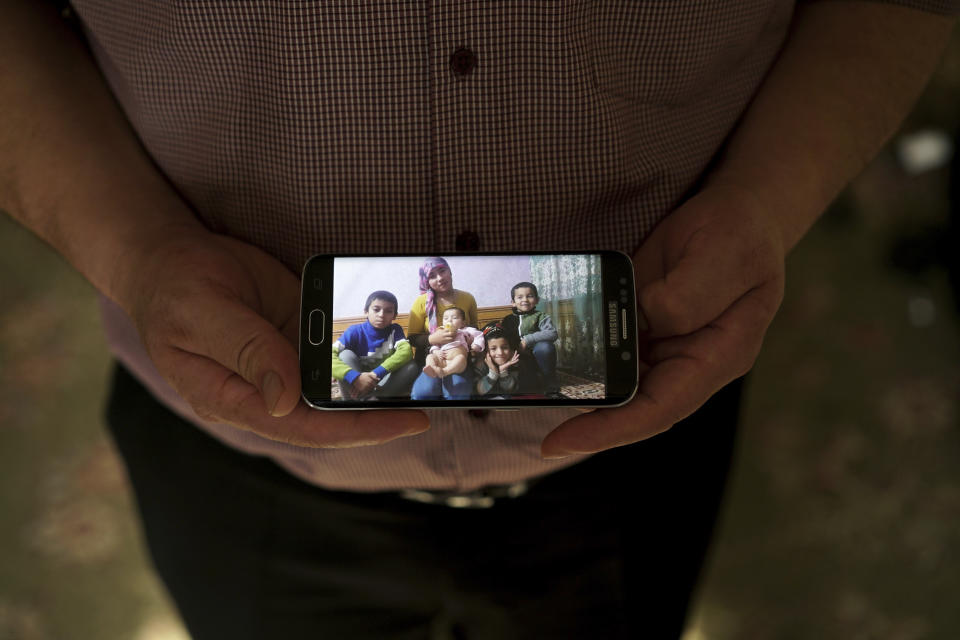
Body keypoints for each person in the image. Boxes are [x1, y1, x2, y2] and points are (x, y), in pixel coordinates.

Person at [2, 0, 957, 638]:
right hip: (233, 449)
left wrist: (766, 199)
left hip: (635, 446)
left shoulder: (496, 323)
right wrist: (132, 248)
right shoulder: (401, 333)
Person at [408, 258, 479, 401]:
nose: (439, 278)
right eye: (432, 276)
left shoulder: (468, 298)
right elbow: (412, 338)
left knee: (458, 393)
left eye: (442, 271)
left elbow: (474, 328)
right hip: (432, 358)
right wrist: (431, 339)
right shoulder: (421, 302)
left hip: (459, 357)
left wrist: (472, 340)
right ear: (427, 281)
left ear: (450, 271)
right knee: (422, 394)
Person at [331, 290, 419, 401]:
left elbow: (406, 352)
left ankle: (372, 398)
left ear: (394, 315)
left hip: (381, 380)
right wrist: (355, 377)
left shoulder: (395, 330)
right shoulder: (354, 331)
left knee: (412, 366)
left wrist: (375, 374)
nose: (381, 315)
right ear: (366, 311)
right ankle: (366, 398)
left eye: (388, 311)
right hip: (357, 380)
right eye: (376, 310)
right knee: (344, 355)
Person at [500, 282, 561, 397]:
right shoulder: (507, 320)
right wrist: (515, 349)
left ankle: (550, 382)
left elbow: (552, 333)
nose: (525, 300)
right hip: (517, 356)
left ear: (537, 300)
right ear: (513, 302)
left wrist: (527, 340)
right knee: (529, 386)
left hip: (537, 354)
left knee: (545, 347)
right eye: (520, 297)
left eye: (530, 296)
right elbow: (503, 337)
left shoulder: (540, 316)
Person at [474, 322, 545, 399]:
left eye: (504, 348)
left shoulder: (519, 363)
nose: (500, 353)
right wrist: (493, 372)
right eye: (493, 348)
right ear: (486, 351)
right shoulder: (481, 364)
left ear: (511, 348)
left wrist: (503, 371)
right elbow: (480, 391)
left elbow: (511, 391)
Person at [422, 307, 485, 379]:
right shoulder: (441, 331)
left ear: (463, 322)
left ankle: (444, 372)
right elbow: (435, 343)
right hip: (441, 358)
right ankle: (432, 369)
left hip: (455, 360)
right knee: (430, 357)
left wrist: (477, 345)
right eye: (446, 318)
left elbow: (479, 335)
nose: (449, 320)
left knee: (461, 358)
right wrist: (435, 351)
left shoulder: (466, 330)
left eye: (454, 318)